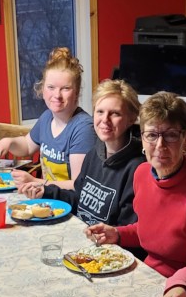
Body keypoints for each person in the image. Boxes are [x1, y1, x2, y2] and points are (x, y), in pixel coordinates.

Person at [85, 91, 186, 277]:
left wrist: (175, 287)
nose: (160, 145)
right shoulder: (142, 174)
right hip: (148, 273)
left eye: (171, 135)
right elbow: (150, 230)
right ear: (142, 139)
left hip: (184, 287)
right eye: (152, 135)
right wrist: (117, 234)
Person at [17, 79, 144, 226]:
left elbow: (127, 230)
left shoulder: (138, 169)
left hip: (102, 239)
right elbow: (79, 198)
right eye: (100, 111)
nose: (105, 120)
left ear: (131, 119)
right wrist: (45, 192)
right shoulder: (94, 153)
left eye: (115, 113)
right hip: (81, 231)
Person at [0, 47, 95, 189]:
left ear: (76, 92)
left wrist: (35, 181)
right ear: (42, 89)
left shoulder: (83, 128)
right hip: (48, 197)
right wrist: (8, 142)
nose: (57, 95)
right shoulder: (47, 117)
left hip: (70, 202)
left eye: (65, 88)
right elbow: (27, 146)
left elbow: (79, 186)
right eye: (51, 87)